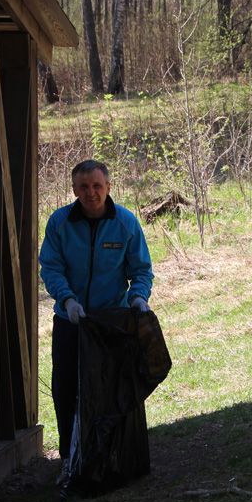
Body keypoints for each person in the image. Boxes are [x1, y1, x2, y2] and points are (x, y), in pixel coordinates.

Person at [39, 159, 154, 484]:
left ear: (108, 187)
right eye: (84, 187)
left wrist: (138, 298)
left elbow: (141, 270)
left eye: (97, 186)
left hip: (111, 324)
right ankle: (69, 459)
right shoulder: (60, 223)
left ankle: (113, 457)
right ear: (74, 190)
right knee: (66, 390)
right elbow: (50, 267)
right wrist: (68, 300)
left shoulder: (125, 223)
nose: (91, 193)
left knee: (113, 389)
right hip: (72, 321)